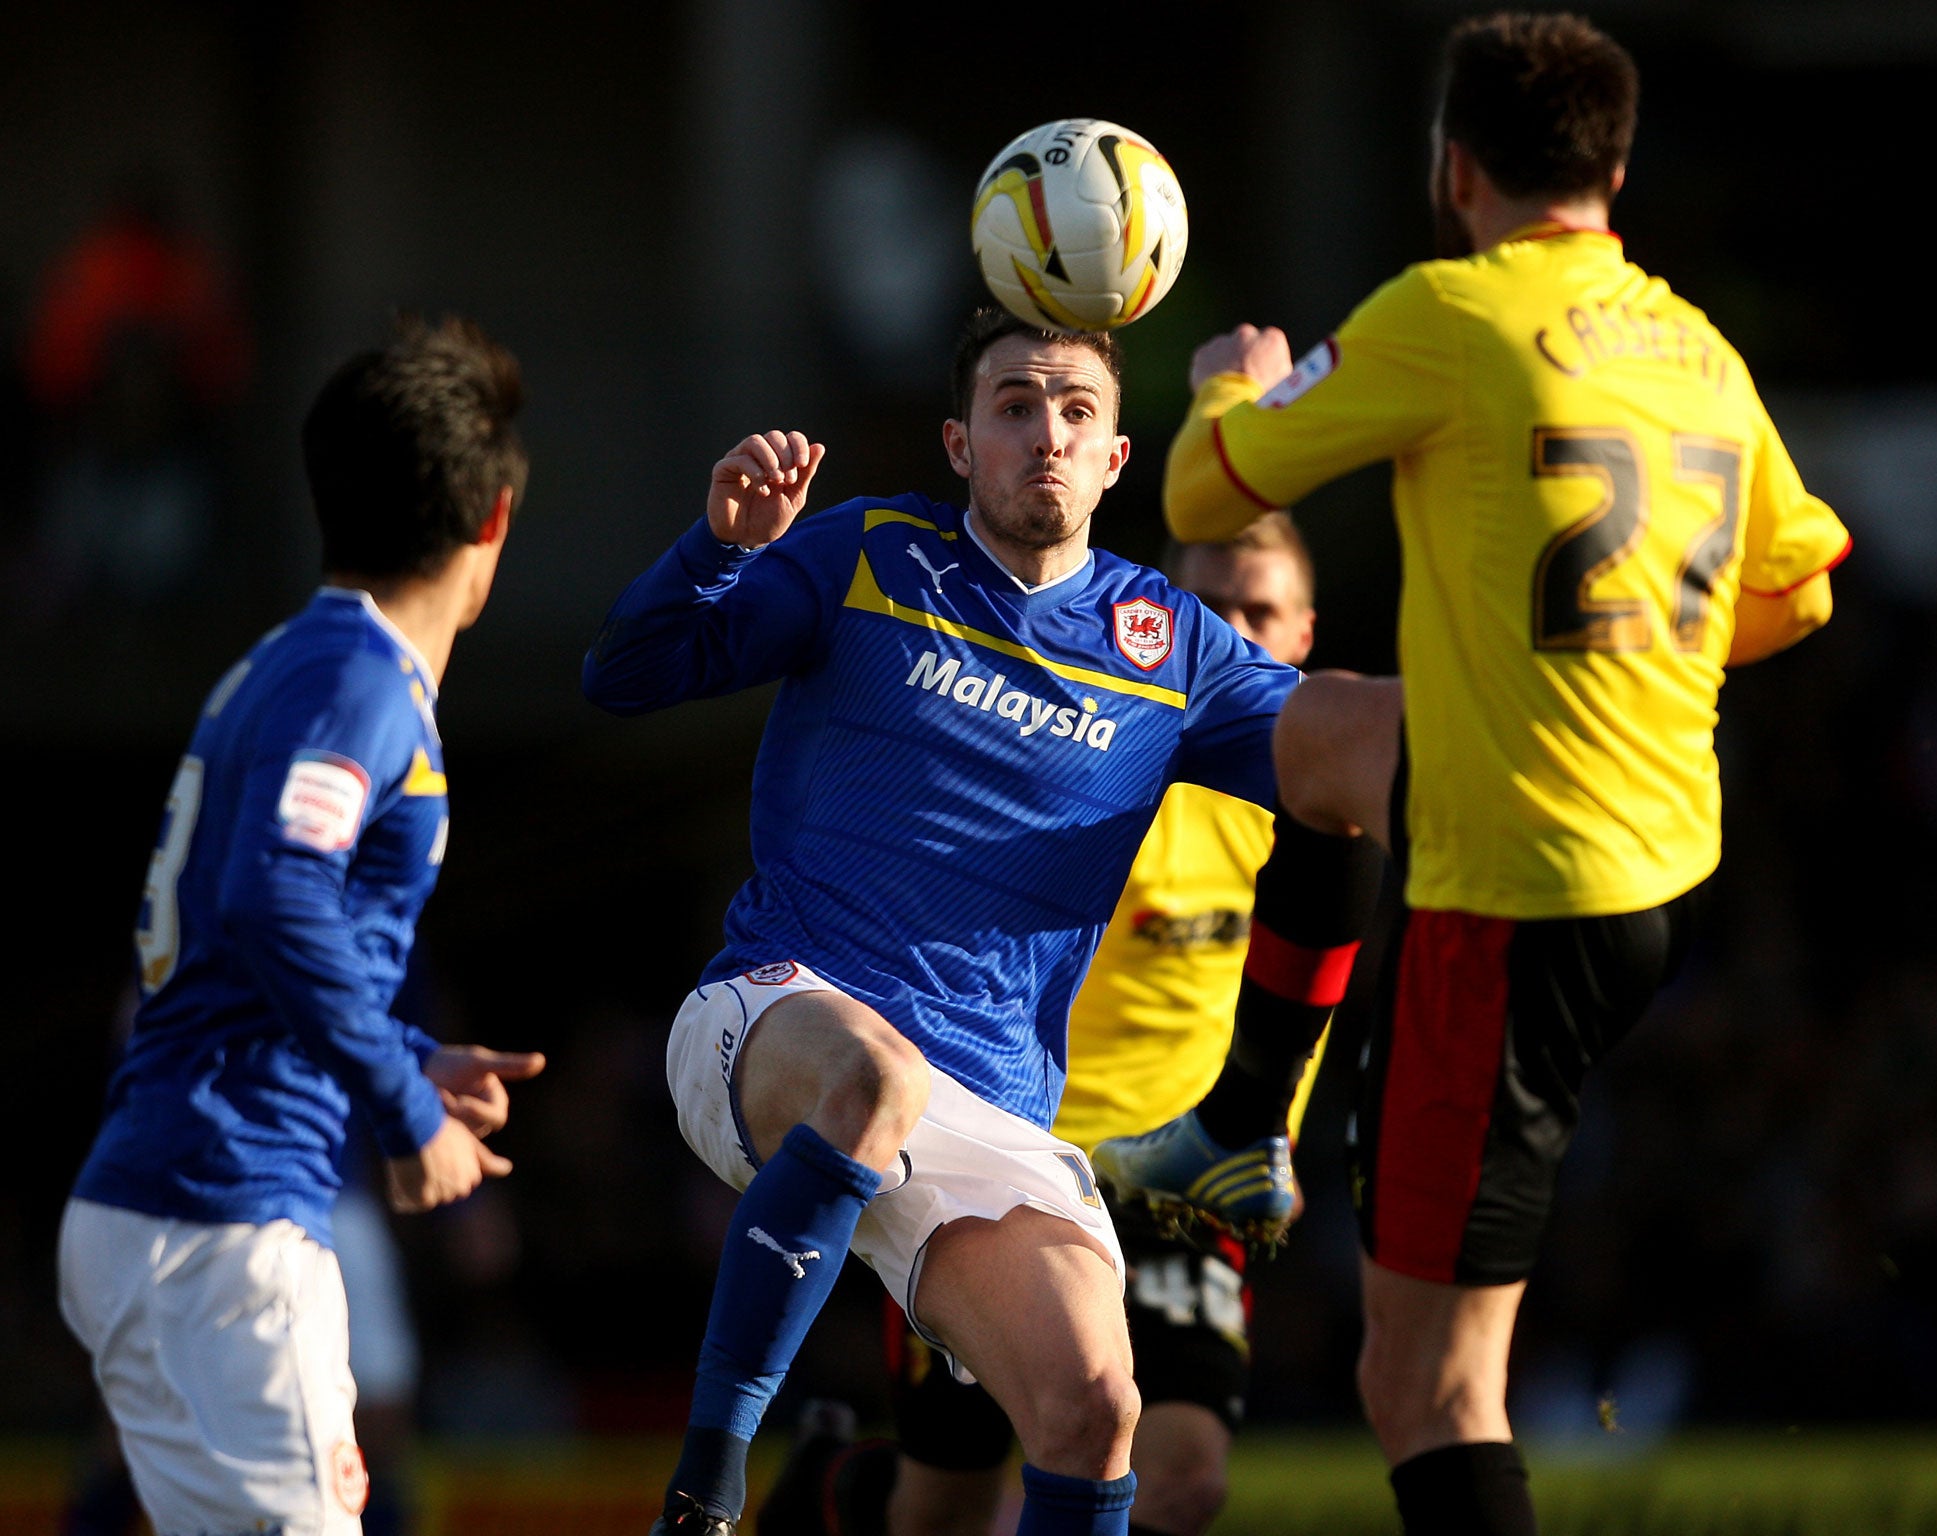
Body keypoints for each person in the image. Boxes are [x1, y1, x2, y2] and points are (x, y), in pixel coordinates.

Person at [1089, 15, 1851, 1535]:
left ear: (1454, 170)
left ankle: (1241, 1121)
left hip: (1508, 900)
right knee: (1328, 739)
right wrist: (1632, 658)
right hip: (1658, 875)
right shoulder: (1694, 343)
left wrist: (1238, 384)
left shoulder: (1452, 312)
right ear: (1616, 171)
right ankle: (1247, 1112)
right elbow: (1801, 587)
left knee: (1426, 1388)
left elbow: (1193, 491)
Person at [582, 308, 1300, 1536]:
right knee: (874, 1076)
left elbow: (1340, 753)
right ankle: (702, 1494)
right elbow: (624, 675)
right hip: (773, 1016)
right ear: (960, 442)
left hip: (995, 1113)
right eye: (1014, 408)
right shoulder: (867, 554)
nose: (1047, 436)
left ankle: (833, 1493)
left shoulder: (1169, 647)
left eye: (1076, 411)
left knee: (1089, 1412)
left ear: (1119, 456)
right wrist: (718, 547)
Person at [58, 316, 547, 1536]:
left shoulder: (290, 664)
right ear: (492, 521)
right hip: (223, 1221)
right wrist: (400, 1103)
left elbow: (254, 928)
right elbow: (273, 897)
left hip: (179, 1202)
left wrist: (405, 1060)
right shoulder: (360, 682)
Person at [755, 516, 1330, 1536]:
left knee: (1184, 1477)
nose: (1238, 630)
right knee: (951, 1506)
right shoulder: (1101, 769)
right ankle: (834, 1499)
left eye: (1263, 612)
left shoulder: (1312, 803)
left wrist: (1264, 1124)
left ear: (1304, 635)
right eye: (1216, 611)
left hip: (1177, 1186)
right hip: (1017, 1161)